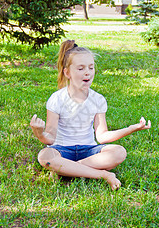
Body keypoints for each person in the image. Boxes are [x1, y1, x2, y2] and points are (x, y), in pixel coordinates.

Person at [30, 40, 151, 190]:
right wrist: (39, 133)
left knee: (119, 152)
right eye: (81, 68)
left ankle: (65, 170)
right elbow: (50, 138)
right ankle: (102, 174)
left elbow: (102, 136)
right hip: (61, 150)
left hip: (88, 151)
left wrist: (131, 128)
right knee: (44, 156)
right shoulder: (57, 99)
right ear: (67, 72)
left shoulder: (98, 100)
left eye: (91, 67)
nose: (87, 72)